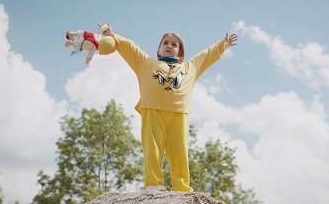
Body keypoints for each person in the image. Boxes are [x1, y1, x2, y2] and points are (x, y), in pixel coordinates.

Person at [98, 23, 238, 192]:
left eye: (174, 44)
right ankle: (153, 184)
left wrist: (223, 44)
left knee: (179, 151)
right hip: (152, 110)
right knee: (152, 149)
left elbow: (206, 55)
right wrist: (112, 35)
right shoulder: (145, 63)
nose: (169, 46)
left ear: (180, 52)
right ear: (158, 49)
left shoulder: (189, 67)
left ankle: (181, 186)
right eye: (165, 43)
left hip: (179, 114)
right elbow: (130, 47)